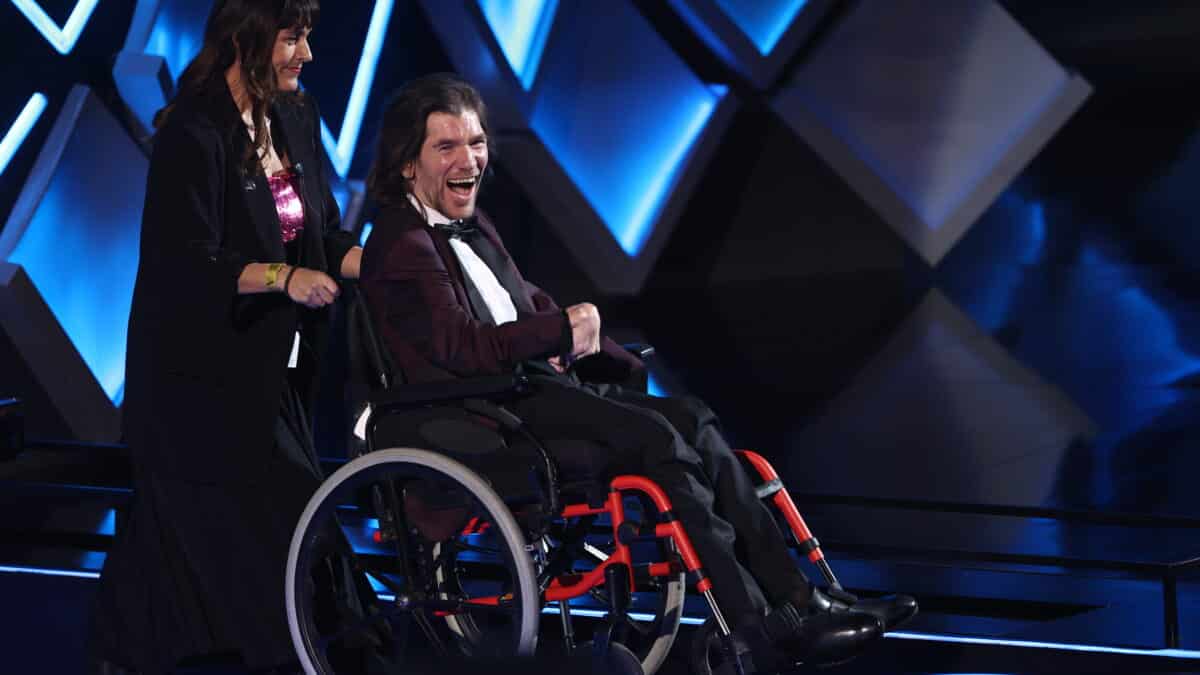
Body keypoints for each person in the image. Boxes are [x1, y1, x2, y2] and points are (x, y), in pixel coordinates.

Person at [358, 73, 915, 672]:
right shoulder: (401, 243)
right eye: (447, 147)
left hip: (526, 386)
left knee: (694, 419)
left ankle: (802, 599)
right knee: (656, 439)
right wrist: (559, 331)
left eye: (476, 142)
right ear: (407, 166)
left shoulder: (471, 224)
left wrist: (585, 337)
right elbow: (461, 346)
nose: (469, 159)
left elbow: (518, 300)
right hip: (483, 406)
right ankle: (755, 629)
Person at [91, 1, 365, 672]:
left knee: (198, 542)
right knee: (294, 519)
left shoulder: (296, 117)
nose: (305, 53)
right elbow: (186, 262)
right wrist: (283, 276)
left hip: (270, 370)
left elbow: (324, 233)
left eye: (306, 37)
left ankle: (124, 652)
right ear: (249, 37)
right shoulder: (195, 128)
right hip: (199, 377)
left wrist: (391, 261)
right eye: (292, 37)